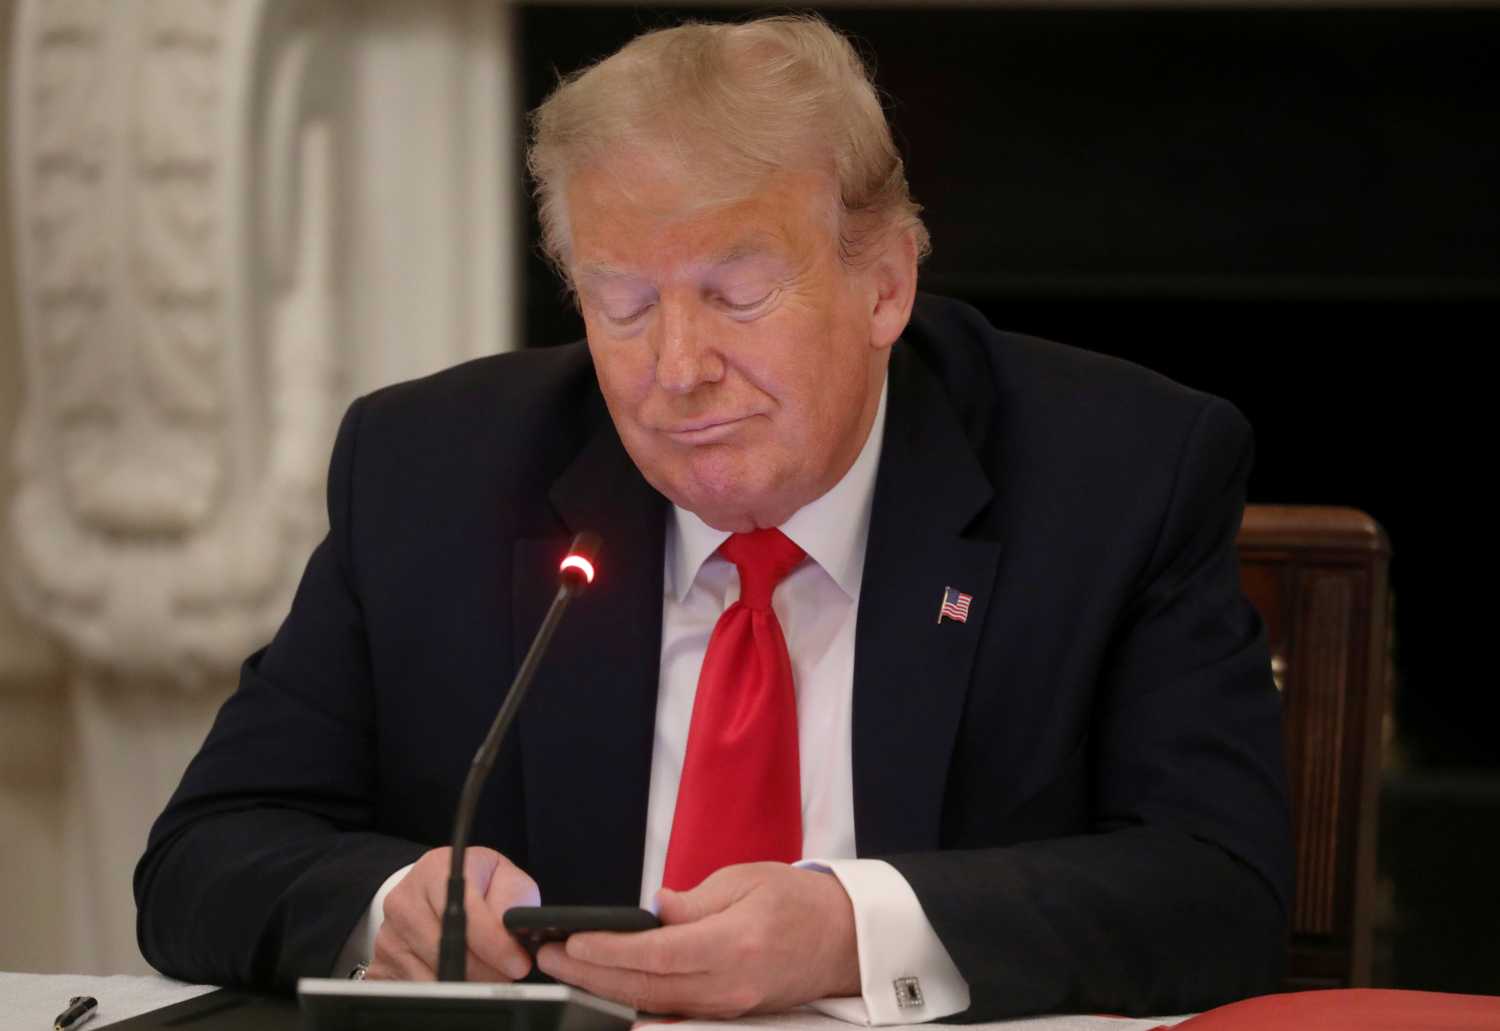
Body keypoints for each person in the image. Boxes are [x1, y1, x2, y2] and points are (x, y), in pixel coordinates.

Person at [135, 15, 1291, 1023]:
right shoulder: (428, 474)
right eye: (622, 302)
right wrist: (391, 906)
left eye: (736, 297)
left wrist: (852, 927)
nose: (675, 369)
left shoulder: (1119, 473)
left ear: (886, 283)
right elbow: (201, 857)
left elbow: (1220, 886)